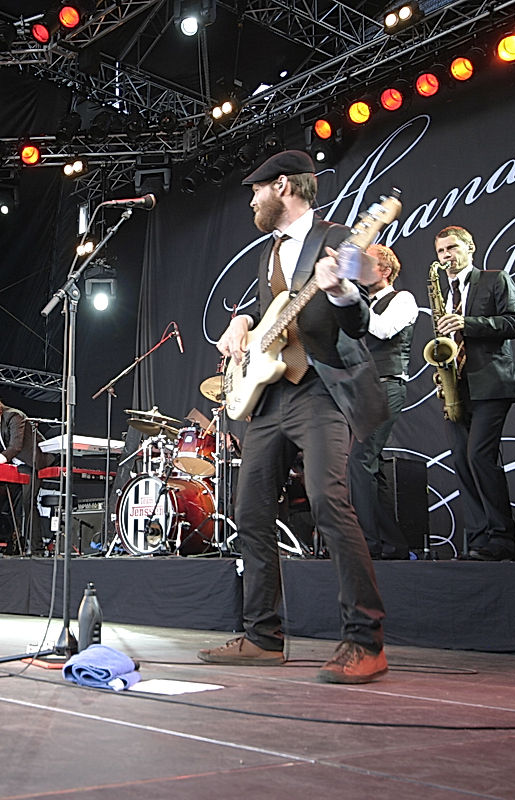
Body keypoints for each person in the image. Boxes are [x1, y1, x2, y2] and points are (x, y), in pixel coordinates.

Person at [200, 149, 390, 684]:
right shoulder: (270, 253)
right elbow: (279, 313)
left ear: (282, 186)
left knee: (329, 500)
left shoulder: (340, 239)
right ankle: (262, 636)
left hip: (321, 391)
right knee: (251, 512)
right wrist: (243, 320)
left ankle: (365, 640)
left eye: (255, 190)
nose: (252, 201)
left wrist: (340, 289)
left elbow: (360, 320)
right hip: (271, 396)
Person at [432, 225, 515, 561]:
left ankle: (503, 540)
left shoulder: (494, 279)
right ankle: (478, 541)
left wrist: (466, 324)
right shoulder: (445, 292)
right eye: (441, 251)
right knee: (460, 459)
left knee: (479, 457)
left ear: (470, 248)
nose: (447, 256)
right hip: (458, 386)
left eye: (453, 248)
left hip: (491, 384)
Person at [348, 244, 419, 559]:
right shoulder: (362, 302)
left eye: (367, 265)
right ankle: (393, 544)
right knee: (370, 468)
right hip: (361, 389)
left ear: (385, 270)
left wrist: (356, 300)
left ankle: (369, 543)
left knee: (360, 461)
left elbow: (383, 329)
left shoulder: (403, 300)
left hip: (387, 384)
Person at [0, 393, 51, 556]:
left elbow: (16, 447)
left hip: (32, 463)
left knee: (28, 502)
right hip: (15, 465)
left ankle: (36, 547)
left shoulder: (15, 416)